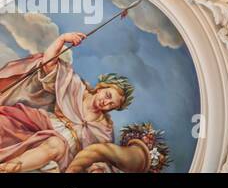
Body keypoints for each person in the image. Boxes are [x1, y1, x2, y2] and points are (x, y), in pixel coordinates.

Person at [0, 31, 132, 173]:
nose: (106, 103)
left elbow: (97, 157)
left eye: (112, 104)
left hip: (61, 152)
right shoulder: (76, 88)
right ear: (101, 87)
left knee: (56, 144)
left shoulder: (104, 130)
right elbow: (49, 65)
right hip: (39, 125)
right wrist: (62, 39)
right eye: (107, 95)